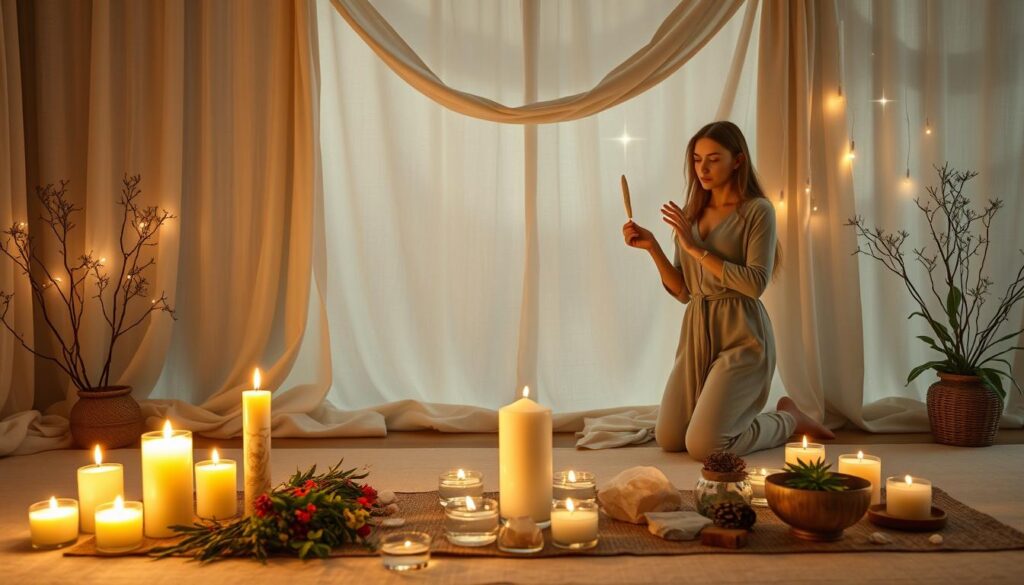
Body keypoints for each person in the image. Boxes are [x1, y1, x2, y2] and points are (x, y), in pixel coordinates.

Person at [621, 121, 833, 460]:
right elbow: (684, 292)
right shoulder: (691, 215)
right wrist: (653, 248)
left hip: (743, 337)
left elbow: (754, 284)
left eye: (713, 159)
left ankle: (788, 419)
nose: (702, 168)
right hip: (696, 334)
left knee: (705, 446)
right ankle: (726, 417)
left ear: (737, 161)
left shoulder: (757, 211)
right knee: (669, 438)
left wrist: (694, 248)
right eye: (696, 159)